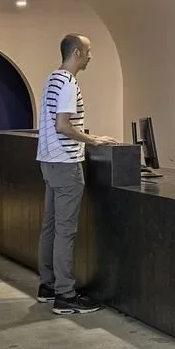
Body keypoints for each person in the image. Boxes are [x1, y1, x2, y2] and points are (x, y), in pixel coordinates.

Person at [35, 33, 116, 315]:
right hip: (66, 162)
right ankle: (65, 296)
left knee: (51, 226)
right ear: (78, 53)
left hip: (47, 160)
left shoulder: (52, 78)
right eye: (89, 51)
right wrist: (94, 140)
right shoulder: (69, 83)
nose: (91, 56)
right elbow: (64, 126)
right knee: (65, 230)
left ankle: (48, 286)